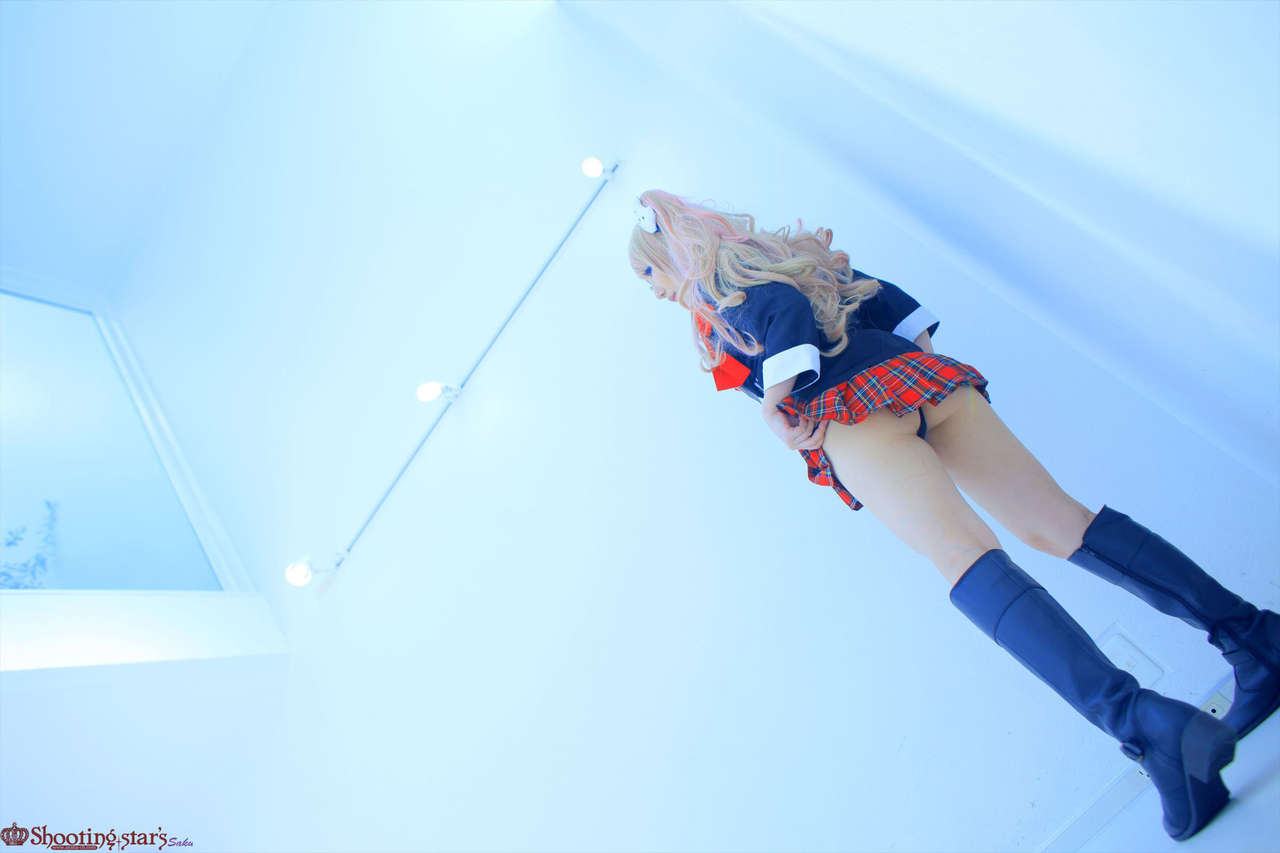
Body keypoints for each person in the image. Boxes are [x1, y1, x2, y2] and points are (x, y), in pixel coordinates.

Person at [627, 189, 1279, 842]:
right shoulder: (787, 254)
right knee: (1060, 522)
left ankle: (1150, 729)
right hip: (917, 377)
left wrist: (776, 407)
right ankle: (1255, 641)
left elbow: (784, 313)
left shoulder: (718, 290)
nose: (654, 290)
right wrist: (915, 358)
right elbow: (887, 300)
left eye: (649, 271)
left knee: (963, 558)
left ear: (670, 248)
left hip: (853, 415)